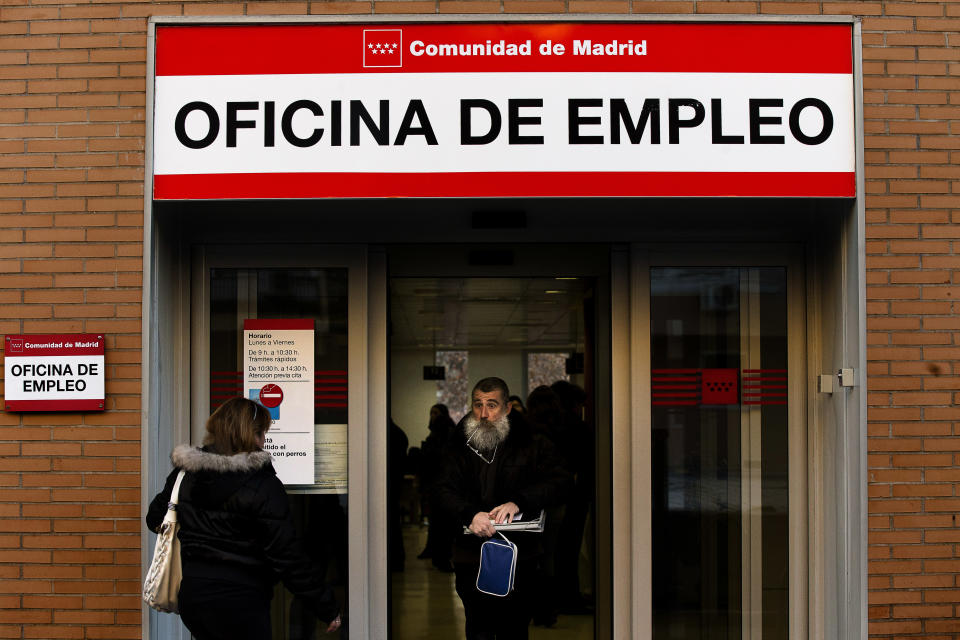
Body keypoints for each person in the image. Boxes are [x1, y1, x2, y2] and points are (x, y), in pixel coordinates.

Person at [146, 397, 341, 639]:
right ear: (252, 436)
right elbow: (286, 556)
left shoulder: (186, 474)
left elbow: (155, 517)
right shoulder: (263, 485)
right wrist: (325, 606)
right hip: (241, 600)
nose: (265, 440)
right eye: (262, 434)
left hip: (194, 595)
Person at [435, 377, 570, 640]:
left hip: (520, 553)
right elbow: (440, 487)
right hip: (471, 553)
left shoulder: (532, 441)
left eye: (492, 405)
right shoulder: (458, 443)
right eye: (478, 405)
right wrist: (469, 513)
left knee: (514, 627)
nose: (483, 414)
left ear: (507, 408)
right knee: (478, 627)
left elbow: (561, 481)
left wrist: (520, 501)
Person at [417, 403, 457, 571]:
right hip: (438, 485)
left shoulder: (444, 434)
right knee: (438, 522)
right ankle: (438, 555)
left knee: (442, 524)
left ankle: (441, 557)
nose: (433, 416)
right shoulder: (441, 433)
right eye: (431, 412)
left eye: (436, 413)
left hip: (442, 485)